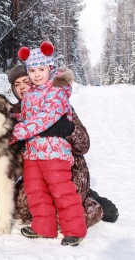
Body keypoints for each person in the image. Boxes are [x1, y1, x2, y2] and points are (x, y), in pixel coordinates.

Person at [8, 65, 119, 228]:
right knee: (23, 210)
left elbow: (84, 145)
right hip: (36, 169)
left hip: (68, 168)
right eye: (17, 84)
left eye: (26, 81)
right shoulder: (16, 111)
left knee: (63, 216)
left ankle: (96, 205)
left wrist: (67, 129)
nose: (22, 87)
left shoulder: (56, 102)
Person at [9, 43, 87, 246]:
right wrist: (8, 119)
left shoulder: (57, 92)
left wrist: (15, 132)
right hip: (33, 152)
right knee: (35, 190)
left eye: (41, 70)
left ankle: (75, 230)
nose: (36, 75)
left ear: (50, 69)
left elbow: (44, 119)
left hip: (54, 152)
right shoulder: (30, 95)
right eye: (32, 71)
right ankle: (43, 227)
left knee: (61, 189)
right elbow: (26, 116)